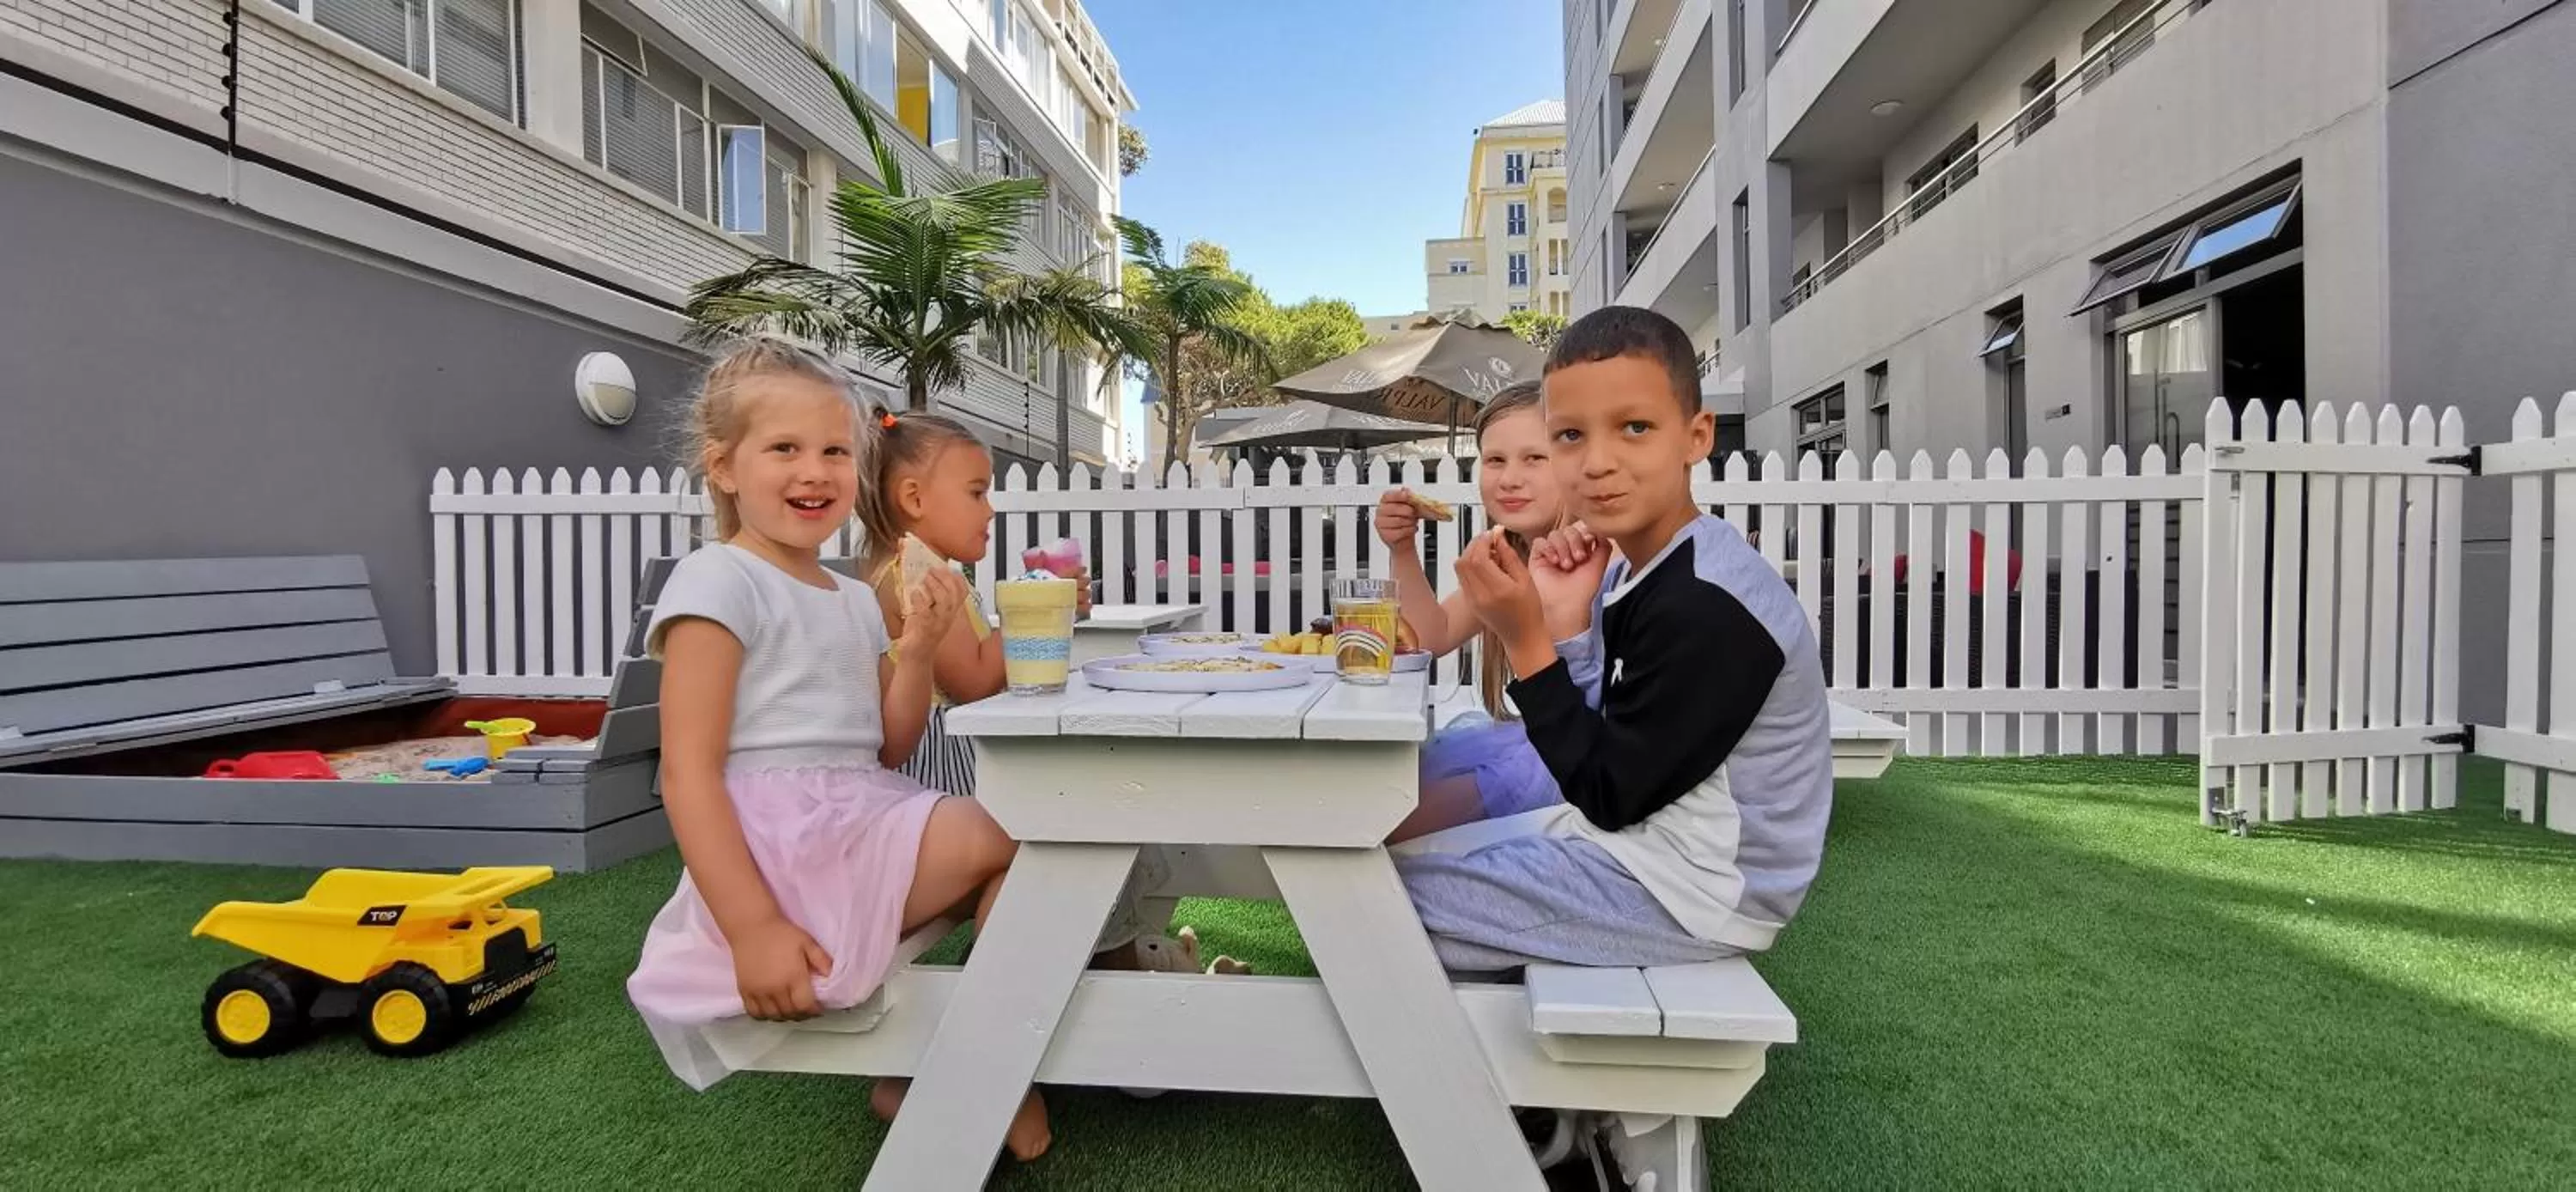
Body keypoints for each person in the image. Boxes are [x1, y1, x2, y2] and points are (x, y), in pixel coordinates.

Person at [623, 339, 1051, 1161]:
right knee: (1031, 829)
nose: (814, 472)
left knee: (1034, 855)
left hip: (858, 811)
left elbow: (886, 746)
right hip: (789, 853)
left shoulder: (853, 598)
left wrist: (918, 650)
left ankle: (965, 1067)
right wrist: (752, 928)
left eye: (833, 453)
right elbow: (687, 774)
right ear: (723, 467)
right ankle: (987, 1075)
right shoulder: (718, 581)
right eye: (784, 449)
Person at [1400, 306, 1836, 973]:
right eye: (1571, 435)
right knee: (1385, 864)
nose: (1597, 463)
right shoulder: (1640, 562)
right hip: (1632, 838)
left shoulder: (1708, 603)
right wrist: (1569, 623)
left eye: (1635, 427)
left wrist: (1527, 638)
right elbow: (1600, 752)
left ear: (1696, 437)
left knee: (1375, 898)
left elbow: (1607, 791)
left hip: (1690, 889)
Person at [853, 411, 1218, 982]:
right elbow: (973, 680)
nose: (990, 509)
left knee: (1094, 807)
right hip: (943, 783)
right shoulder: (914, 577)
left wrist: (1044, 607)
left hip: (964, 768)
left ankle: (1112, 973)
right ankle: (1088, 978)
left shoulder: (930, 572)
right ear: (914, 498)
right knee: (1087, 816)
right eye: (976, 492)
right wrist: (1039, 608)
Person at [1372, 380, 1595, 842]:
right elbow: (1433, 636)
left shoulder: (1591, 554)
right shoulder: (1502, 558)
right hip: (1519, 741)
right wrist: (1403, 549)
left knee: (1393, 825)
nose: (1509, 477)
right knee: (1385, 801)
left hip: (1568, 762)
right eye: (1494, 460)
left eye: (1535, 458)